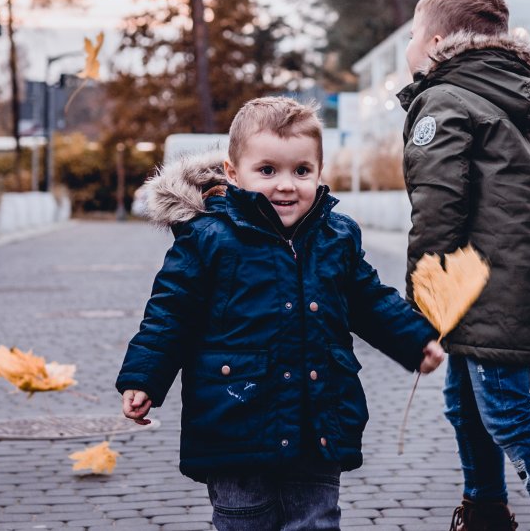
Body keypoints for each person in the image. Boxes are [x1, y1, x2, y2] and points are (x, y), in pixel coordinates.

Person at [118, 97, 447, 531]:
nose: (286, 185)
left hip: (317, 419)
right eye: (267, 171)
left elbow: (368, 298)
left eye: (302, 171)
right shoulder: (208, 239)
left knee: (316, 520)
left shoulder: (336, 237)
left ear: (319, 172)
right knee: (244, 520)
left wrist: (413, 338)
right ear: (234, 174)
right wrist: (144, 378)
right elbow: (169, 314)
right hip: (236, 419)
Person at [399, 0, 530, 531]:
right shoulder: (514, 103)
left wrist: (424, 295)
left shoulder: (445, 101)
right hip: (501, 282)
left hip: (482, 286)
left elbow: (437, 205)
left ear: (436, 42)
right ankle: (484, 510)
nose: (410, 47)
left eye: (412, 36)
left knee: (507, 414)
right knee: (466, 407)